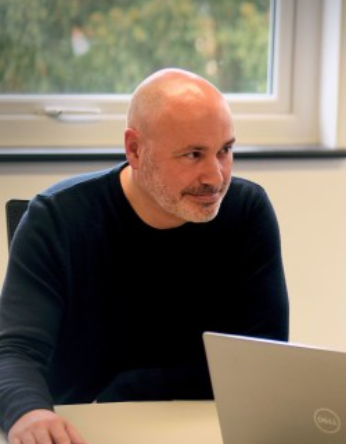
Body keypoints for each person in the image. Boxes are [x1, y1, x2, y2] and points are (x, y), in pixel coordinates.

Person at [0, 68, 289, 444]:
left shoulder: (246, 213)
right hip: (85, 429)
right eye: (193, 154)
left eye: (225, 150)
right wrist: (29, 413)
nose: (215, 177)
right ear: (135, 150)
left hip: (200, 428)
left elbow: (262, 358)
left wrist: (128, 388)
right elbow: (13, 349)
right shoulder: (58, 219)